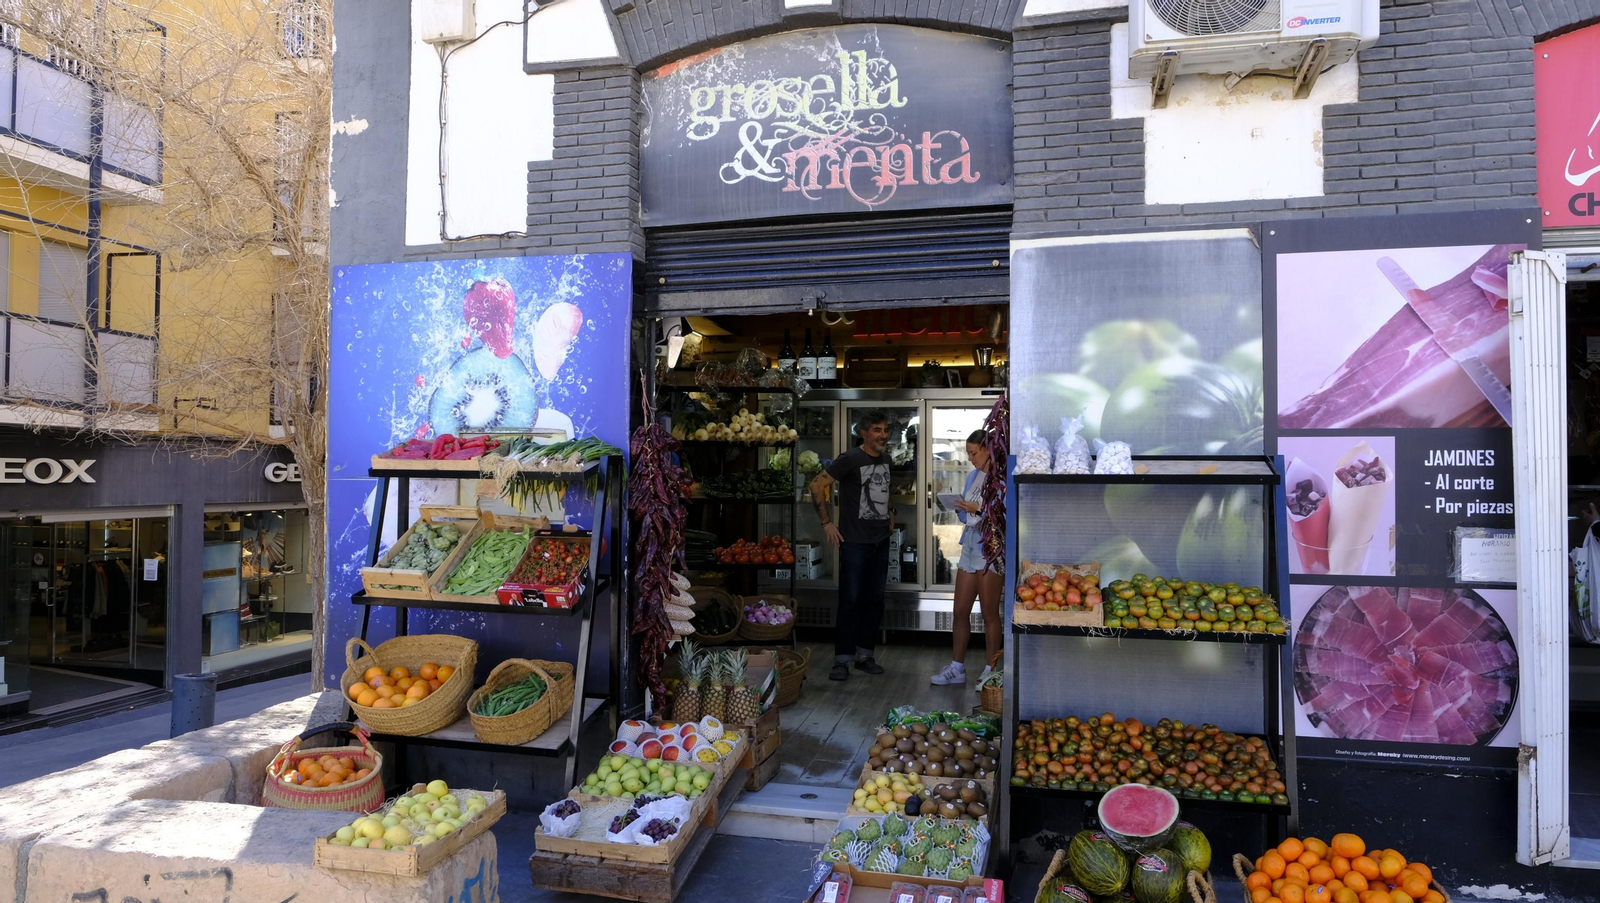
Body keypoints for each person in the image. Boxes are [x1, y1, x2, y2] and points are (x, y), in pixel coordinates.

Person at [810, 409, 893, 681]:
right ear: (864, 433)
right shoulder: (850, 459)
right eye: (877, 430)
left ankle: (865, 656)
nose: (883, 435)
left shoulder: (887, 460)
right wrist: (827, 523)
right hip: (854, 542)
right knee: (850, 600)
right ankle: (842, 660)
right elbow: (816, 485)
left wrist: (891, 515)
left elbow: (883, 493)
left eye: (885, 430)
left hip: (881, 541)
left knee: (875, 601)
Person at [931, 430, 1003, 688]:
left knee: (989, 614)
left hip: (990, 549)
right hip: (970, 545)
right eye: (968, 453)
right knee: (960, 610)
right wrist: (961, 508)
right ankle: (957, 667)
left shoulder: (1001, 479)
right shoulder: (973, 476)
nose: (970, 458)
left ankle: (990, 671)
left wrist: (979, 508)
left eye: (974, 453)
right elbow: (966, 517)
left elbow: (1005, 514)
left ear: (988, 450)